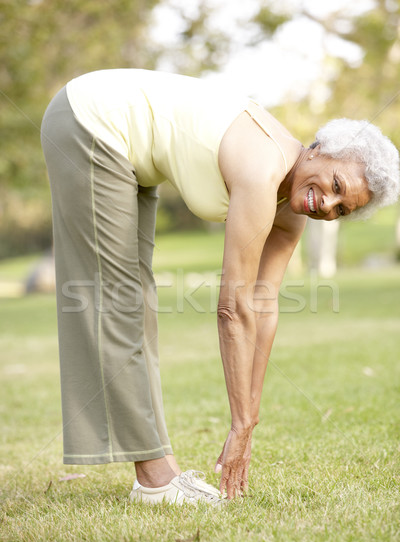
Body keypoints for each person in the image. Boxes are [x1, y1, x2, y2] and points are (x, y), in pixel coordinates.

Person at [41, 68, 399, 504]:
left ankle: (157, 471)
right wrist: (238, 423)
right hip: (90, 119)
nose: (327, 204)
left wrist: (251, 419)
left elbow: (263, 307)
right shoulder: (263, 169)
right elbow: (233, 307)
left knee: (137, 305)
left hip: (128, 148)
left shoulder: (290, 210)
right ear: (319, 150)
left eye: (342, 209)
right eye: (336, 185)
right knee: (119, 302)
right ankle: (155, 478)